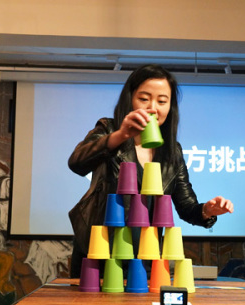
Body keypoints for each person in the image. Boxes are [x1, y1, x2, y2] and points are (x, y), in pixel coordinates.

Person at [68, 64, 234, 278]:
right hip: (100, 253)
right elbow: (76, 163)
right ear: (130, 100)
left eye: (162, 101)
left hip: (145, 255)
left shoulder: (172, 151)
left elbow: (186, 207)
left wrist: (208, 211)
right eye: (144, 99)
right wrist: (121, 135)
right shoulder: (109, 129)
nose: (153, 107)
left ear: (170, 106)